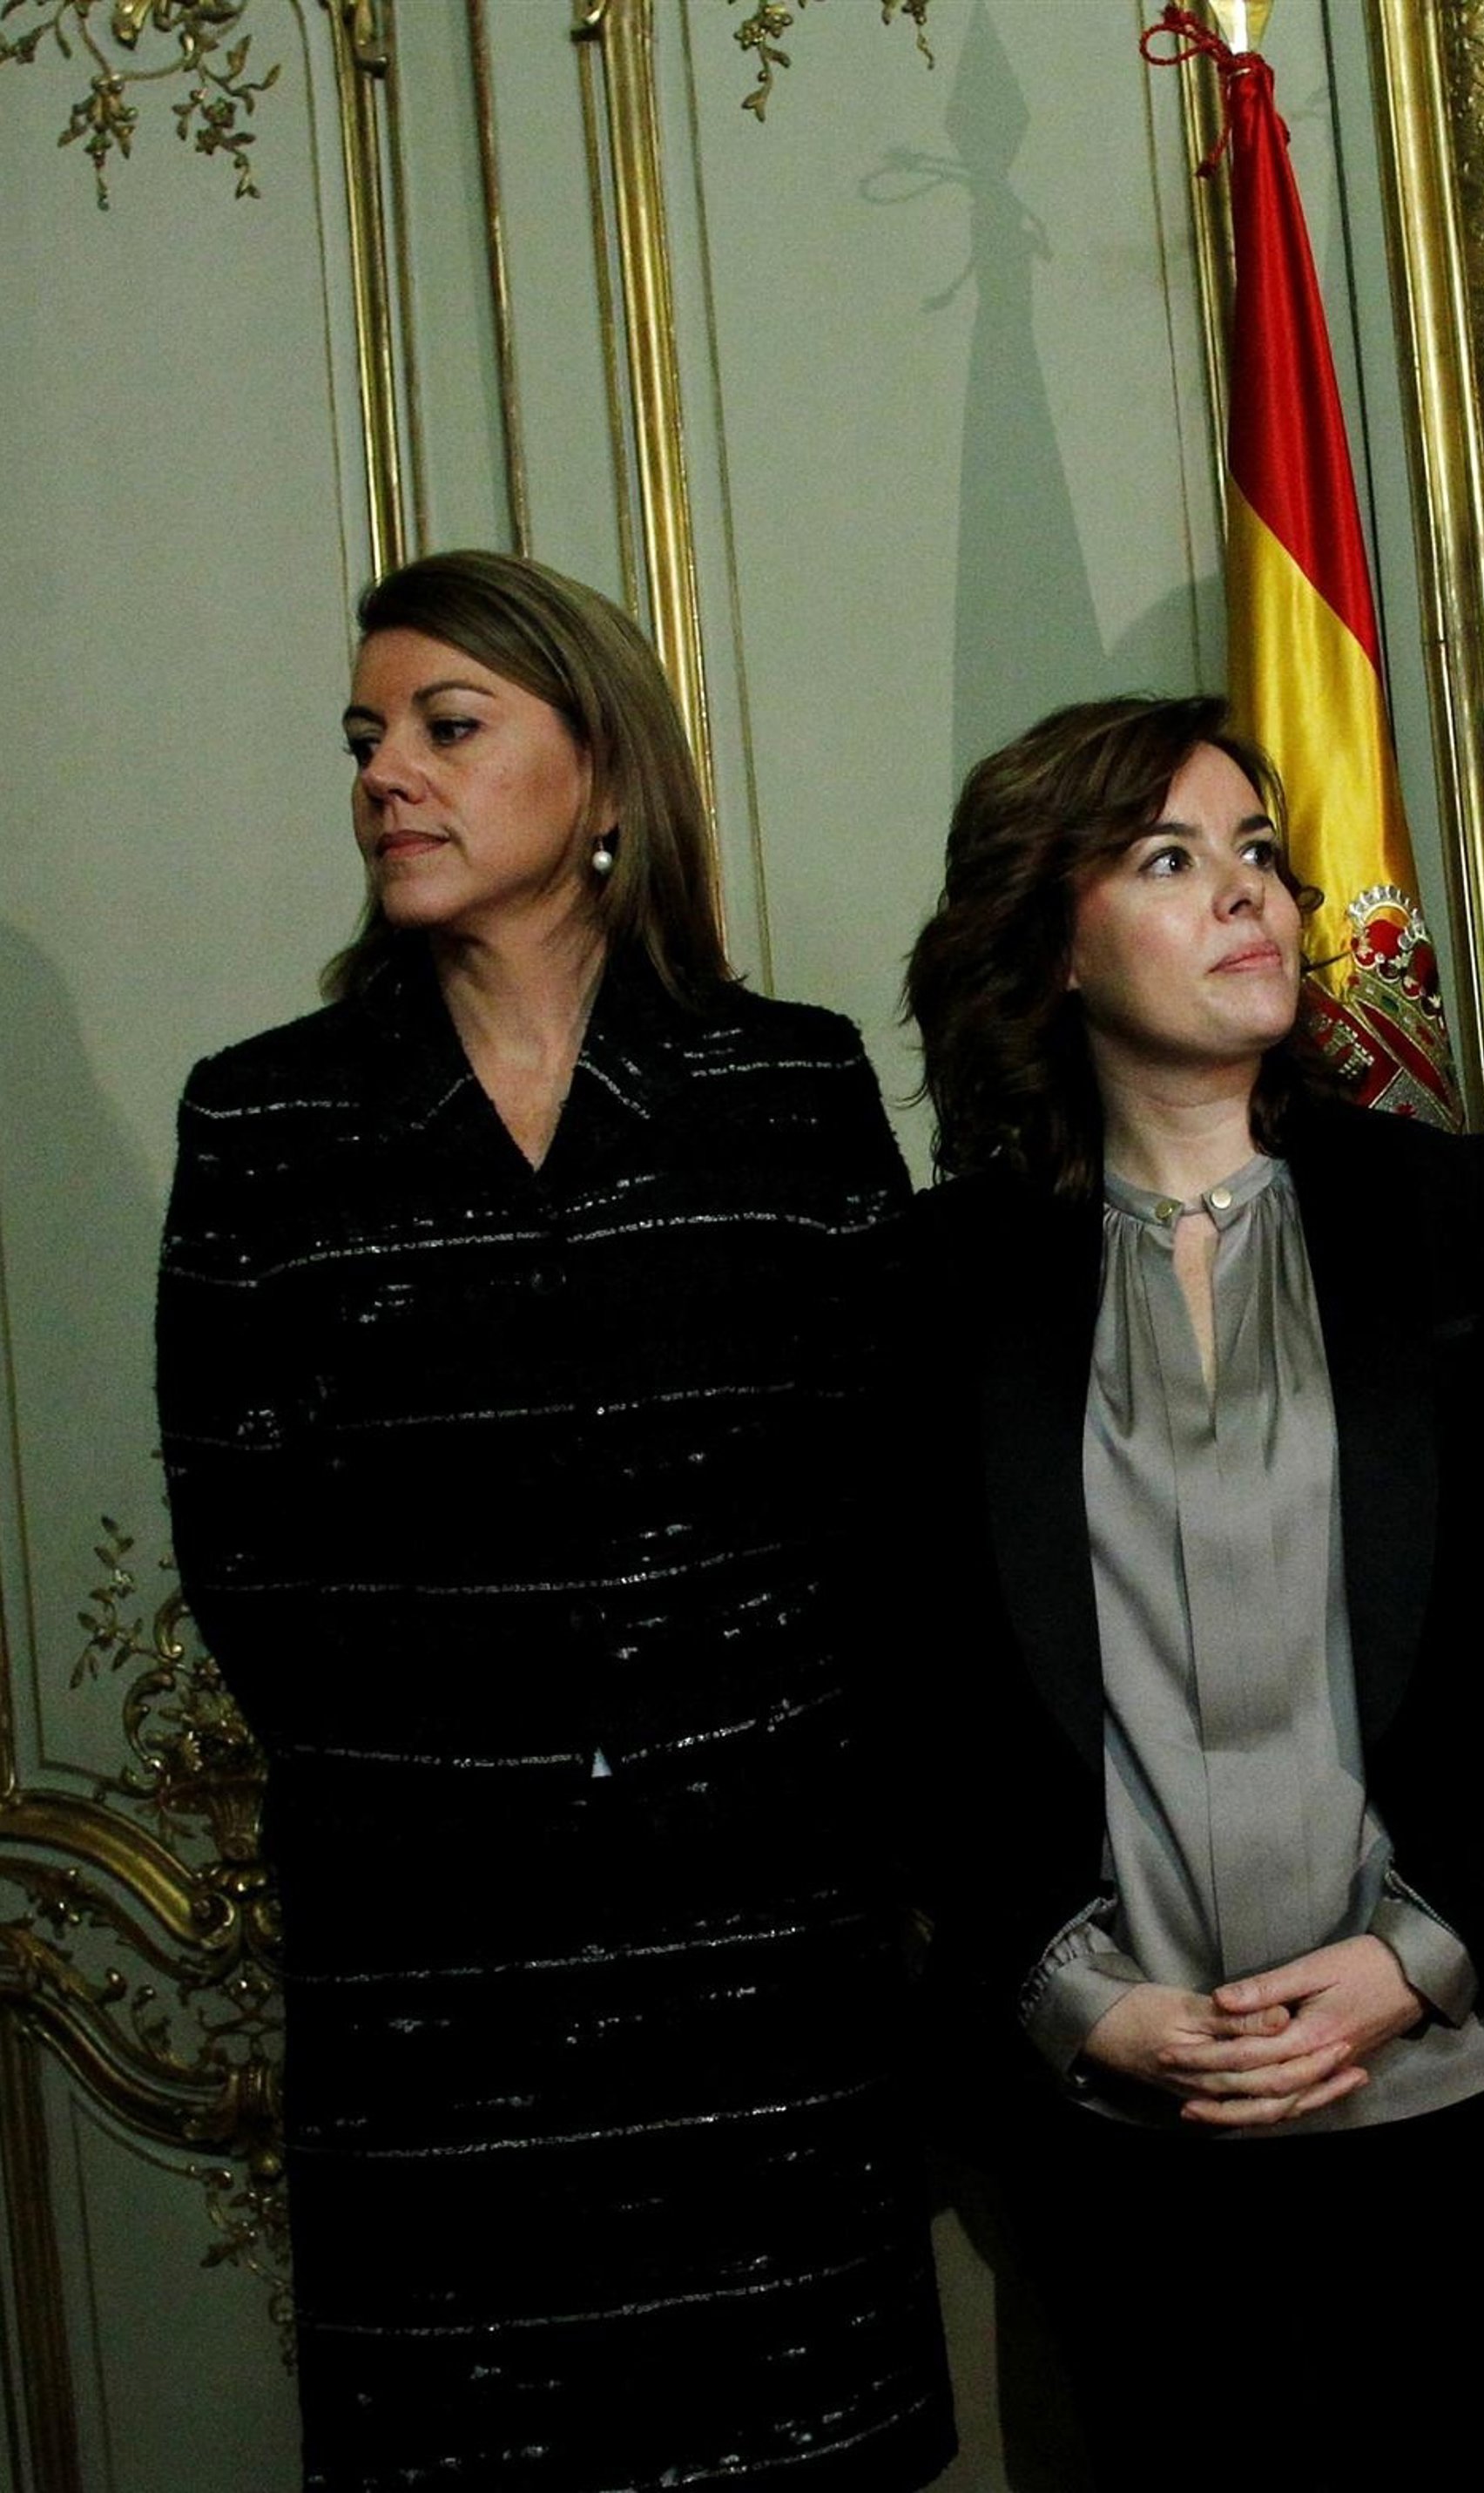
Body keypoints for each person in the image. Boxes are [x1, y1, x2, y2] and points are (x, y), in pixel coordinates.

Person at [156, 551, 953, 2493]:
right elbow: (247, 1556)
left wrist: (806, 1828)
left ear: (601, 772)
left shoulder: (789, 1083)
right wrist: (474, 1805)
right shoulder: (264, 1121)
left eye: (448, 727)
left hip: (763, 1970)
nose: (387, 776)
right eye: (366, 740)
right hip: (443, 1994)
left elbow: (891, 1514)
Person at [904, 694, 1484, 2491]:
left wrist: (1416, 1962)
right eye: (1170, 859)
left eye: (1258, 853)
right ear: (1051, 944)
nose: (1249, 895)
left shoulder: (1450, 1214)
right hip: (1125, 2138)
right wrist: (1073, 1995)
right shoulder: (945, 1282)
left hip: (1450, 2098)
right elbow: (917, 1691)